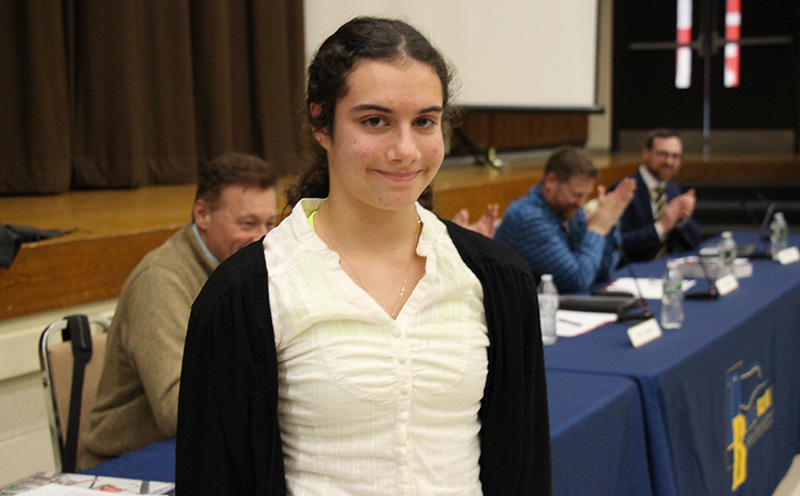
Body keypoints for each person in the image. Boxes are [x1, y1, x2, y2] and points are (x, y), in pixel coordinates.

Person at [176, 17, 551, 496]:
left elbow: (524, 469)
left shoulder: (496, 280)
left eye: (424, 122)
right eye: (375, 121)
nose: (405, 149)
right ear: (321, 123)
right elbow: (213, 477)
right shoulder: (246, 295)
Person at [78, 152, 278, 470]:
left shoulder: (247, 271)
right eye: (247, 223)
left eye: (270, 223)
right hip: (130, 465)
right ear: (202, 214)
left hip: (203, 451)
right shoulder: (160, 280)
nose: (262, 238)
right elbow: (179, 410)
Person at [494, 147, 636, 293]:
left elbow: (602, 272)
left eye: (586, 195)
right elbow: (578, 280)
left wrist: (610, 221)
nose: (581, 203)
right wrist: (597, 230)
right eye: (577, 194)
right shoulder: (529, 218)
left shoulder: (570, 210)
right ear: (551, 181)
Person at [617, 129, 701, 262]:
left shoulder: (674, 191)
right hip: (634, 274)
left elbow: (695, 242)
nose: (669, 162)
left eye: (675, 156)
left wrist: (682, 219)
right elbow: (617, 243)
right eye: (663, 154)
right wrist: (661, 227)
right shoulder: (624, 190)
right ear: (646, 153)